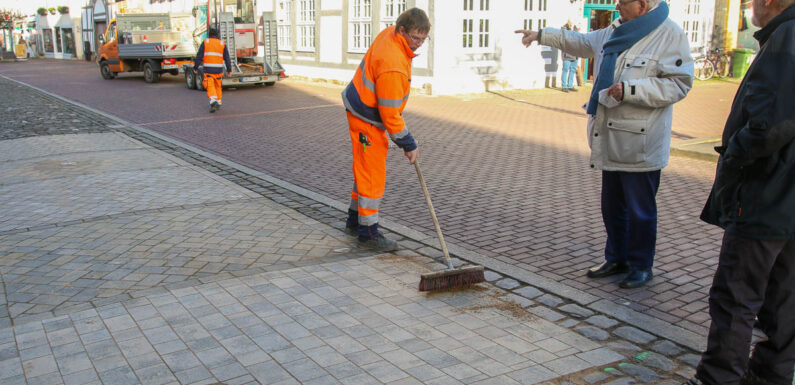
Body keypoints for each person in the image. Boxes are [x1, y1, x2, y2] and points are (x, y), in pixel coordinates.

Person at [515, 0, 693, 288]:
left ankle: (640, 266)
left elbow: (680, 83)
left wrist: (632, 90)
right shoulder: (615, 30)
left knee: (640, 211)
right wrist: (541, 35)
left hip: (641, 143)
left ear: (643, 5)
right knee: (612, 207)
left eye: (622, 3)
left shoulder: (669, 35)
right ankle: (617, 258)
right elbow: (581, 42)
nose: (617, 7)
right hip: (610, 137)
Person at [684, 0, 795, 384]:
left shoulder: (786, 38)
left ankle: (718, 377)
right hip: (785, 197)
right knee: (784, 299)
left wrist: (734, 155)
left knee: (736, 297)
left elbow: (768, 125)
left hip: (768, 194)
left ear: (767, 2)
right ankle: (771, 376)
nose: (748, 8)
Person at [341, 8, 429, 251]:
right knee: (372, 172)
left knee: (364, 166)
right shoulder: (393, 65)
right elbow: (390, 114)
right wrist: (409, 143)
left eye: (423, 39)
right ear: (402, 30)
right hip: (366, 117)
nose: (418, 44)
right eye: (415, 38)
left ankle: (353, 220)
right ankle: (368, 233)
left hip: (359, 104)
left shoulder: (390, 33)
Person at [194, 27, 231, 113]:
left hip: (208, 70)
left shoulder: (205, 42)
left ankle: (213, 102)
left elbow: (199, 56)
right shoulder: (222, 44)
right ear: (218, 35)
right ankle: (218, 102)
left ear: (209, 34)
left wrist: (195, 67)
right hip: (219, 71)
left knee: (210, 86)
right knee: (218, 86)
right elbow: (227, 58)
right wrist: (229, 70)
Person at [560, 21, 578, 92]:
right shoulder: (564, 31)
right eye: (570, 24)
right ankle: (564, 86)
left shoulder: (575, 31)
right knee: (565, 70)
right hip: (567, 55)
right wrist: (566, 27)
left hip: (575, 54)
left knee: (572, 70)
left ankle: (570, 85)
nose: (571, 25)